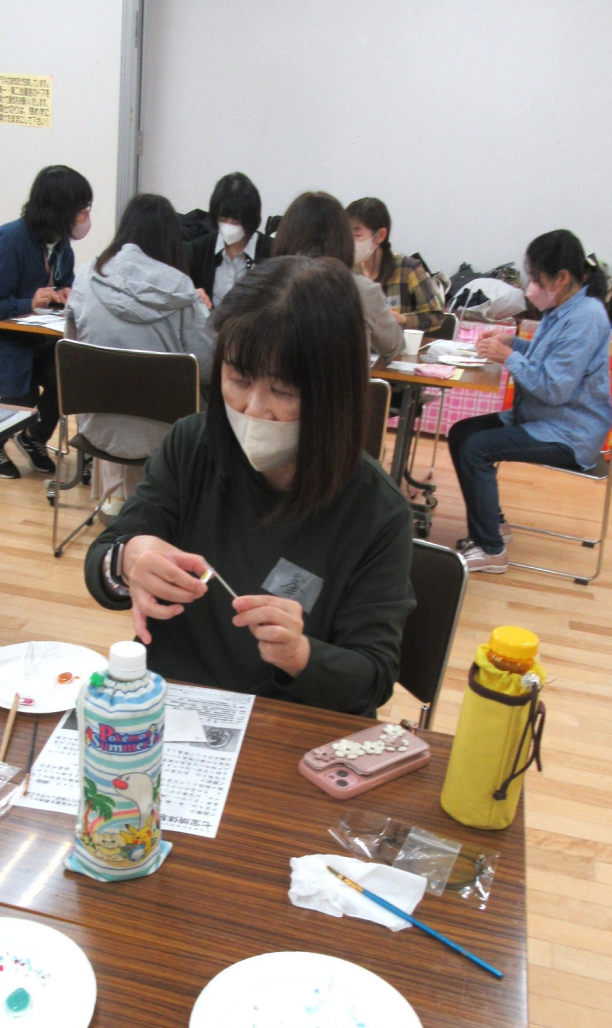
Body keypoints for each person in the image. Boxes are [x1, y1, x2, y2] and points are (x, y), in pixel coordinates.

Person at [84, 256, 414, 716]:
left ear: (333, 393)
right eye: (239, 378)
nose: (254, 408)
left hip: (287, 723)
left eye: (284, 391)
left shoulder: (376, 511)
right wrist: (127, 558)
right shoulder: (192, 446)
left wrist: (301, 654)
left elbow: (373, 677)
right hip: (174, 707)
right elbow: (103, 560)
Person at [448, 229, 611, 574]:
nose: (530, 287)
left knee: (476, 448)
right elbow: (545, 358)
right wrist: (512, 343)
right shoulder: (564, 308)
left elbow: (554, 388)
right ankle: (493, 524)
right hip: (544, 418)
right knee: (462, 433)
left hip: (569, 433)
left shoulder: (586, 318)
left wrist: (507, 356)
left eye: (536, 279)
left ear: (561, 278)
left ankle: (491, 550)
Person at [64, 192, 214, 517]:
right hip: (166, 438)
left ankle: (115, 498)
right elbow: (208, 366)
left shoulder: (86, 276)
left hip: (96, 429)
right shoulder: (182, 290)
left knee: (113, 393)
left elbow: (72, 354)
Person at [0, 164, 92, 479]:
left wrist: (64, 295)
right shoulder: (7, 242)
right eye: (82, 209)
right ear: (60, 210)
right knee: (21, 383)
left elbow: (60, 287)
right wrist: (26, 303)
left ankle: (33, 438)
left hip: (26, 337)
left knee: (64, 373)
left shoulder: (62, 247)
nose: (86, 216)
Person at [270, 191, 402, 360]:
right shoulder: (362, 290)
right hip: (342, 377)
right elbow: (393, 346)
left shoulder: (264, 282)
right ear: (342, 238)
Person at [346, 197, 444, 334]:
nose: (350, 242)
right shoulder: (347, 270)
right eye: (347, 235)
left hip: (399, 345)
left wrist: (403, 319)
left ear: (380, 235)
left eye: (357, 235)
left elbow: (436, 318)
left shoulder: (408, 268)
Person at [185, 172, 272, 309]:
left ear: (250, 220)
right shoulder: (198, 250)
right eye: (223, 219)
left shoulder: (272, 251)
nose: (228, 227)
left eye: (236, 222)